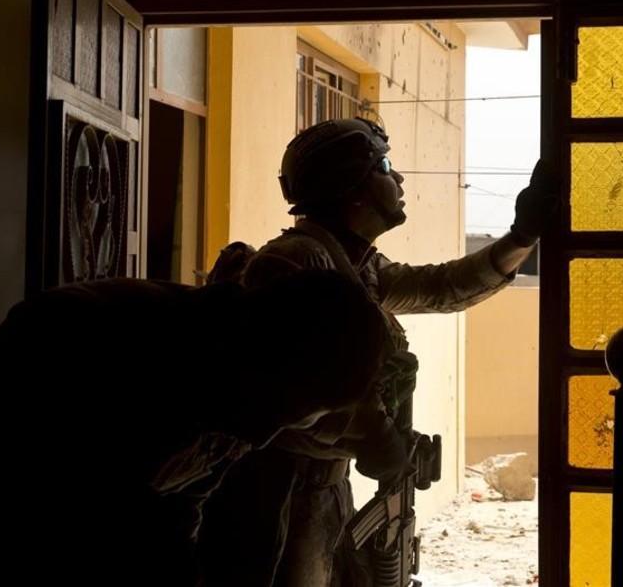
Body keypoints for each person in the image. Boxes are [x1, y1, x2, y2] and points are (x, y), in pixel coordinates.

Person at [198, 117, 559, 587]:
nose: (400, 179)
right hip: (275, 493)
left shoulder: (357, 266)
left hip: (318, 488)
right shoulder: (296, 264)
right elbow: (287, 391)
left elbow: (443, 287)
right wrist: (379, 439)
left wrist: (522, 237)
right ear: (352, 188)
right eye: (385, 166)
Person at [0, 270, 389, 586]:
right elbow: (63, 513)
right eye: (285, 407)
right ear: (269, 354)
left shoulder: (233, 388)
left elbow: (173, 504)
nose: (268, 430)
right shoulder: (89, 341)